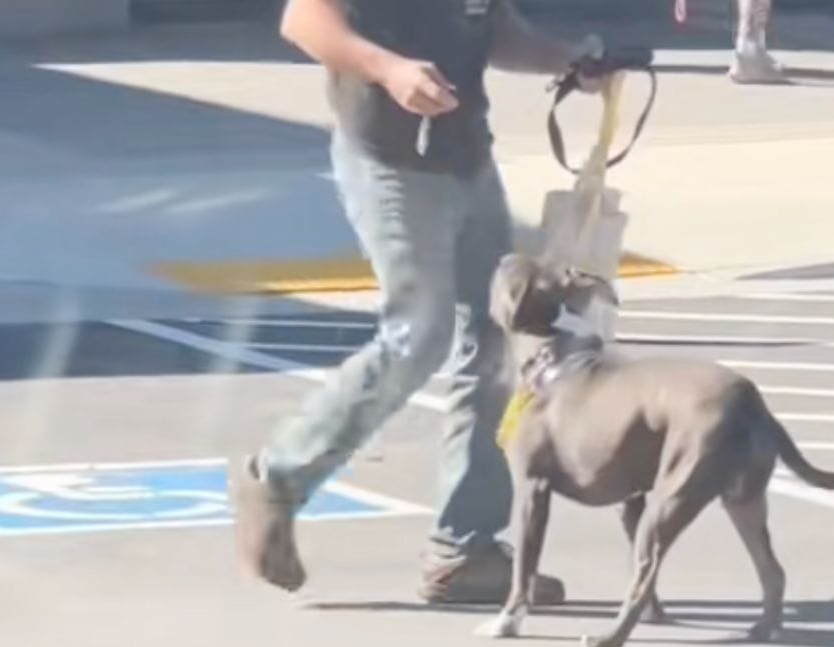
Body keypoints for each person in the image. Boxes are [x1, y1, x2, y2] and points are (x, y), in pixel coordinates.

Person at [229, 0, 600, 605]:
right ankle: (277, 477)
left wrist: (565, 58)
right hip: (388, 162)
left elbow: (495, 27)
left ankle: (466, 548)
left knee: (499, 341)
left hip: (467, 160)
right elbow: (304, 21)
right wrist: (389, 69)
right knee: (419, 334)